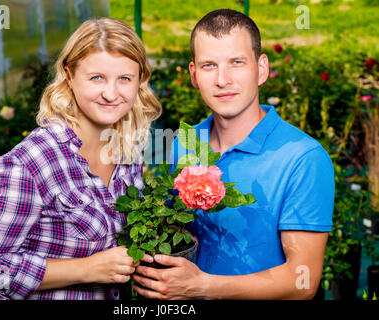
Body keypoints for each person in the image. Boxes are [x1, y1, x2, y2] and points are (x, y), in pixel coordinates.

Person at [131, 9, 334, 300]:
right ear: (194, 75)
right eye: (209, 65)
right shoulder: (186, 142)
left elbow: (303, 281)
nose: (222, 79)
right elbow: (177, 229)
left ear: (261, 69)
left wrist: (202, 286)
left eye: (236, 62)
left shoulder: (303, 158)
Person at [0, 17, 161, 300]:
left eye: (125, 79)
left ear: (140, 80)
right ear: (69, 74)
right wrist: (87, 269)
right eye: (97, 78)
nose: (111, 94)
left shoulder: (127, 151)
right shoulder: (32, 162)